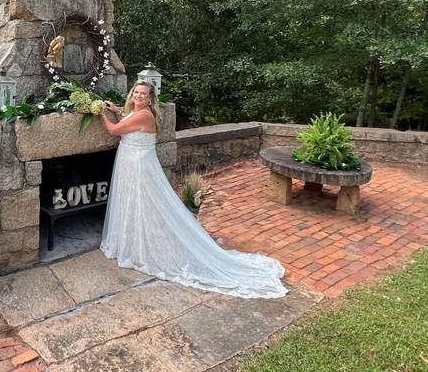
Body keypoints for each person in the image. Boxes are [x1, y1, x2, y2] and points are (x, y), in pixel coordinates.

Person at [98, 81, 287, 298]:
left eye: (143, 94)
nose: (138, 96)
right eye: (136, 93)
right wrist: (117, 111)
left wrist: (98, 113)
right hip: (131, 162)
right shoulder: (136, 113)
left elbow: (113, 131)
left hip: (138, 166)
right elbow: (128, 124)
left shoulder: (144, 115)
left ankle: (144, 245)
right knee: (133, 202)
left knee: (142, 202)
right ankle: (133, 241)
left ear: (151, 99)